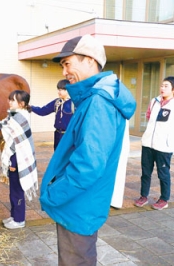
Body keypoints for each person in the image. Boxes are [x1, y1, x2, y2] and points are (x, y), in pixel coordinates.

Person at [39, 34, 136, 265]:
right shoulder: (96, 98)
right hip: (83, 203)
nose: (64, 72)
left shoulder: (99, 103)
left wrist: (54, 194)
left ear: (90, 61)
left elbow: (88, 165)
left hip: (78, 206)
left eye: (67, 63)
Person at [0, 90, 38, 230]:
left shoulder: (19, 118)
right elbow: (0, 125)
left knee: (17, 192)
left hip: (18, 162)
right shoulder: (14, 116)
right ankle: (14, 216)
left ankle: (19, 220)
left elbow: (18, 145)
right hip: (16, 160)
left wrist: (13, 163)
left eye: (12, 100)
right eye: (10, 99)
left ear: (22, 103)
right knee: (13, 191)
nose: (9, 102)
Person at [134, 76, 174, 210]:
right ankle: (143, 196)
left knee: (163, 173)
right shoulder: (154, 101)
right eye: (162, 85)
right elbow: (149, 117)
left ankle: (164, 199)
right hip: (148, 144)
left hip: (164, 146)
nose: (162, 88)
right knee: (145, 172)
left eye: (166, 86)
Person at [31, 79, 73, 150]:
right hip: (57, 135)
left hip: (69, 136)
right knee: (57, 157)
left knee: (67, 158)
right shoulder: (56, 102)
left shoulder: (74, 103)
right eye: (58, 89)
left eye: (60, 90)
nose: (58, 92)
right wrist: (30, 107)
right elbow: (42, 111)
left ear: (67, 90)